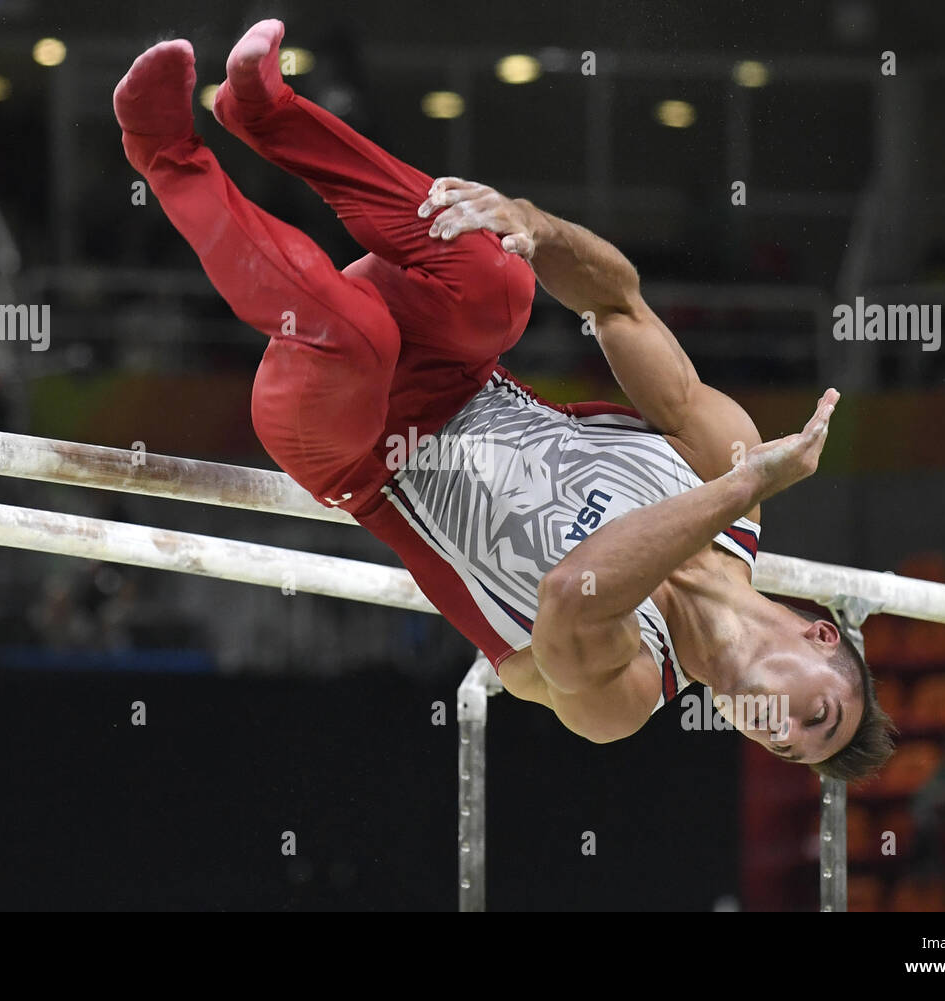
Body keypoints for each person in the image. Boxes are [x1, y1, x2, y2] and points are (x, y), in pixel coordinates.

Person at [113, 20, 895, 779]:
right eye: (814, 715)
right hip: (455, 364)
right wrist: (535, 223)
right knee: (506, 281)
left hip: (356, 450)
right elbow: (620, 306)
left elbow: (570, 593)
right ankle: (265, 114)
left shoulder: (621, 698)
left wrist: (748, 484)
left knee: (360, 338)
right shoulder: (722, 453)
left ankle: (163, 150)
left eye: (788, 749)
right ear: (821, 634)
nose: (779, 730)